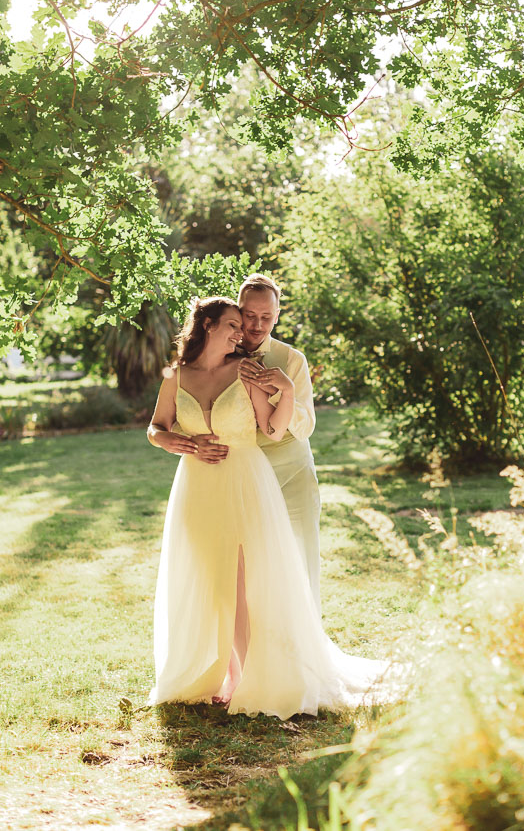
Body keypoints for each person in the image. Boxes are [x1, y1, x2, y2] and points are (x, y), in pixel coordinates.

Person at [146, 296, 400, 718]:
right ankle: (211, 674)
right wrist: (173, 442)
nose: (240, 332)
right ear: (208, 325)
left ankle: (248, 677)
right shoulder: (177, 374)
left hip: (246, 481)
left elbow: (274, 427)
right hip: (196, 486)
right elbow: (157, 426)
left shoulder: (245, 371)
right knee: (207, 576)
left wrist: (284, 387)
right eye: (233, 324)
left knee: (246, 582)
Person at [191, 274, 321, 613]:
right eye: (250, 315)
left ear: (277, 315)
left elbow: (305, 427)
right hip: (238, 476)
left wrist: (282, 390)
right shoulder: (217, 355)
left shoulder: (291, 359)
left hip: (290, 474)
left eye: (267, 317)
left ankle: (300, 650)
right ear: (238, 309)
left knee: (298, 561)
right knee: (248, 572)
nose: (258, 325)